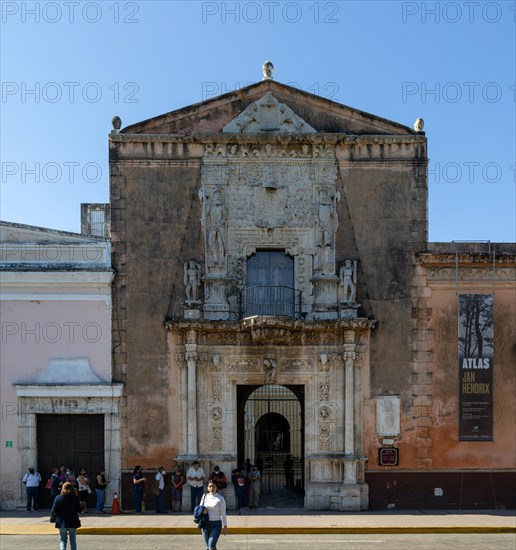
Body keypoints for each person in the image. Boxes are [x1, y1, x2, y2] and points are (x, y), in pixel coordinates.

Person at [51, 481, 82, 550]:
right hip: (73, 521)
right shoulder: (75, 498)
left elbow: (53, 510)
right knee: (73, 540)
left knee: (63, 540)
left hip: (61, 521)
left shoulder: (58, 498)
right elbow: (79, 509)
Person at [200, 481, 227, 550]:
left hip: (216, 524)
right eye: (210, 486)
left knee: (211, 546)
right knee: (207, 547)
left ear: (216, 488)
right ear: (207, 488)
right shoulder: (204, 496)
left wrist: (225, 526)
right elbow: (200, 508)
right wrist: (203, 511)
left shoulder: (220, 498)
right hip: (205, 523)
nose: (211, 488)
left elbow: (223, 513)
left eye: (213, 486)